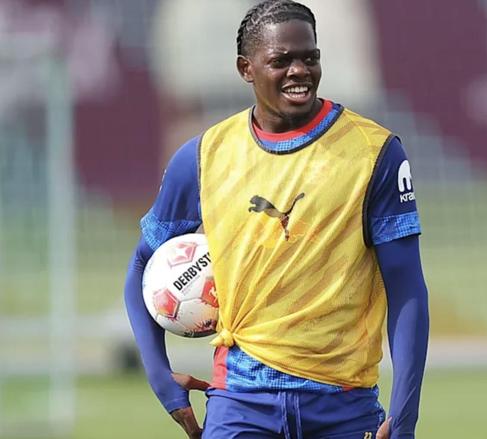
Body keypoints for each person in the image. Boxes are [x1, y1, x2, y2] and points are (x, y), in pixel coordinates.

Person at [124, 1, 429, 438]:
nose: (299, 71)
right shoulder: (204, 157)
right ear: (245, 69)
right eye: (281, 61)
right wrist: (159, 376)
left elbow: (407, 288)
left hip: (343, 405)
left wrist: (403, 418)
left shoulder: (375, 152)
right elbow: (142, 264)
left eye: (309, 57)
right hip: (240, 403)